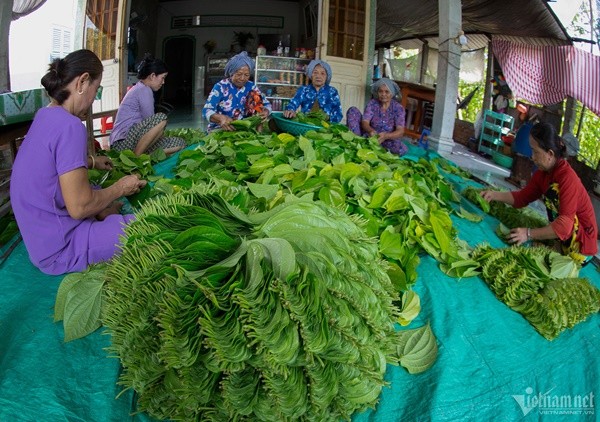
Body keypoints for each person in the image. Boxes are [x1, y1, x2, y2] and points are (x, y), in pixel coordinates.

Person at [10, 49, 147, 275]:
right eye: (97, 89)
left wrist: (91, 162)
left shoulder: (45, 115)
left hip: (41, 240)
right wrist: (120, 188)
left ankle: (103, 216)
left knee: (107, 208)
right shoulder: (71, 126)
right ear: (83, 82)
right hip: (61, 248)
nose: (94, 98)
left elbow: (48, 166)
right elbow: (79, 207)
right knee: (150, 228)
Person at [481, 122, 597, 264]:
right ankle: (557, 245)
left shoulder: (567, 178)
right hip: (562, 236)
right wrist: (494, 195)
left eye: (535, 152)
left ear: (550, 154)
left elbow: (565, 225)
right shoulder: (543, 173)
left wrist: (528, 234)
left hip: (580, 246)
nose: (532, 157)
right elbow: (522, 198)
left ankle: (560, 248)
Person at [110, 53, 186, 155]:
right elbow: (152, 122)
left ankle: (144, 153)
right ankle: (136, 158)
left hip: (134, 140)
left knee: (180, 143)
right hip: (122, 143)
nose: (163, 82)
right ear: (153, 76)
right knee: (161, 118)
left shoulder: (141, 88)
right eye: (162, 78)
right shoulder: (144, 90)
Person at [203, 51, 271, 132]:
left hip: (244, 132)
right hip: (221, 130)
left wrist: (265, 111)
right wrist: (221, 118)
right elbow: (206, 111)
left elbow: (266, 104)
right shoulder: (220, 87)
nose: (242, 78)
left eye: (246, 75)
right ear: (231, 73)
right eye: (239, 74)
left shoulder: (251, 86)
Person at [346, 78, 407, 156]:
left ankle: (377, 149)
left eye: (387, 92)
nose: (383, 94)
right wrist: (371, 131)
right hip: (369, 136)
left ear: (392, 93)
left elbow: (400, 131)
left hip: (387, 139)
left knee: (397, 147)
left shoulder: (398, 108)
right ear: (377, 92)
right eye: (380, 91)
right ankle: (357, 141)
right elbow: (365, 122)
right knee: (352, 110)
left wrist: (386, 136)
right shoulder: (372, 103)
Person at [283, 59, 342, 123]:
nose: (318, 76)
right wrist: (290, 110)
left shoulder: (332, 92)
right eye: (315, 72)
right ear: (311, 75)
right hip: (306, 125)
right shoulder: (303, 90)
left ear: (327, 77)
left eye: (322, 73)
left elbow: (338, 114)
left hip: (325, 128)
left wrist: (328, 119)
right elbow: (293, 103)